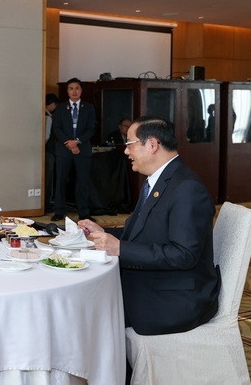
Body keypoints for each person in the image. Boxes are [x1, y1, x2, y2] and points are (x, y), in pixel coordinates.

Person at [79, 116, 220, 338]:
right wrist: (103, 232)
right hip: (157, 281)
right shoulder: (158, 180)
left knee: (91, 309)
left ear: (152, 145)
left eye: (130, 144)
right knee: (88, 299)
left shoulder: (187, 188)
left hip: (175, 298)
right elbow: (140, 232)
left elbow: (184, 255)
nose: (126, 152)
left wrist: (121, 249)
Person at [51, 77, 96, 222]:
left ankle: (83, 212)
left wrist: (77, 142)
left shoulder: (88, 108)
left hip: (83, 150)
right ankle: (59, 211)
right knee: (61, 181)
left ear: (81, 90)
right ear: (67, 91)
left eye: (77, 88)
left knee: (83, 182)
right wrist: (69, 144)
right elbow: (57, 128)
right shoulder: (61, 108)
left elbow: (91, 129)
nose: (74, 91)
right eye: (71, 88)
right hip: (64, 151)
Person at [44, 93, 58, 213]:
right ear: (52, 105)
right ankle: (46, 205)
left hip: (42, 152)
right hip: (48, 152)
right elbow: (46, 137)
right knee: (47, 180)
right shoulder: (48, 117)